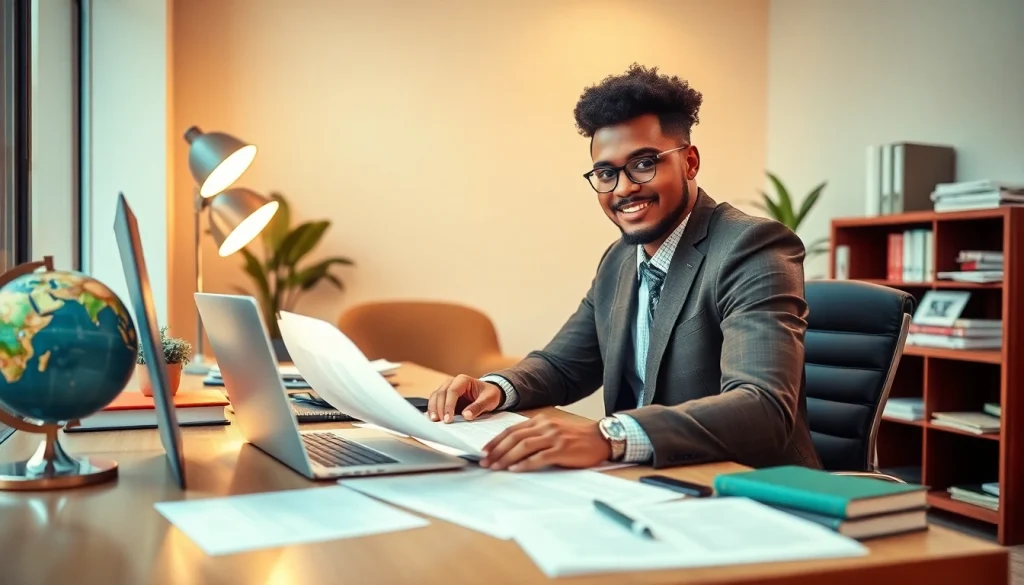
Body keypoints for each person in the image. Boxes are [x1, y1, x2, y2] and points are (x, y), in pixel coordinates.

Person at [426, 64, 822, 472]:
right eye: (606, 172)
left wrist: (609, 435)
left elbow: (763, 406)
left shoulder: (751, 247)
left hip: (746, 488)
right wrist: (496, 388)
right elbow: (564, 366)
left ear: (689, 162)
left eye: (645, 163)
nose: (624, 187)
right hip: (645, 480)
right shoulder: (619, 260)